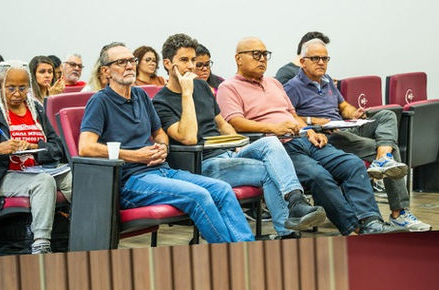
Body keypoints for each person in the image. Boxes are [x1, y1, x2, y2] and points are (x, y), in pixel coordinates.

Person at [152, 33, 326, 238]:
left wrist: (238, 145)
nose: (190, 66)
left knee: (269, 143)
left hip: (226, 155)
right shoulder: (161, 102)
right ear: (167, 63)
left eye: (192, 60)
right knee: (269, 171)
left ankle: (295, 202)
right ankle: (287, 232)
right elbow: (188, 138)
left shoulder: (201, 86)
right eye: (184, 61)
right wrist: (187, 94)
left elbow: (221, 123)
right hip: (200, 164)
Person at [217, 37, 397, 235]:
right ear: (238, 59)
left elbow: (292, 114)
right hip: (277, 148)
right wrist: (274, 128)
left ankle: (370, 220)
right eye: (256, 54)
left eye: (265, 55)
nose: (262, 60)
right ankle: (353, 227)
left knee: (352, 164)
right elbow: (235, 122)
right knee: (318, 176)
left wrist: (308, 130)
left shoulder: (274, 83)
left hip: (302, 138)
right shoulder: (229, 87)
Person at [78, 42, 254, 244]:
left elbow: (159, 133)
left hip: (162, 170)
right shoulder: (100, 101)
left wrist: (163, 146)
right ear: (106, 71)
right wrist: (135, 155)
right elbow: (86, 146)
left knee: (222, 190)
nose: (129, 66)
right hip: (131, 181)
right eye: (121, 62)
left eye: (131, 60)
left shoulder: (141, 95)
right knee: (199, 196)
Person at [283, 39, 429, 231]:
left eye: (325, 58)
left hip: (345, 126)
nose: (321, 62)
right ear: (303, 62)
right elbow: (288, 115)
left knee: (387, 115)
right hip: (326, 135)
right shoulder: (292, 87)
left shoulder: (327, 81)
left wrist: (353, 113)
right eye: (316, 58)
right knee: (391, 148)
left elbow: (343, 106)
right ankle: (398, 212)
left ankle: (383, 158)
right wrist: (313, 121)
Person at [0, 59, 73, 254]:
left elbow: (58, 147)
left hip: (38, 169)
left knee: (78, 179)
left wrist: (34, 146)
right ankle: (41, 244)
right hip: (5, 176)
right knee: (44, 182)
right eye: (11, 88)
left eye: (23, 87)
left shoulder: (36, 109)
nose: (17, 93)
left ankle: (80, 232)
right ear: (0, 85)